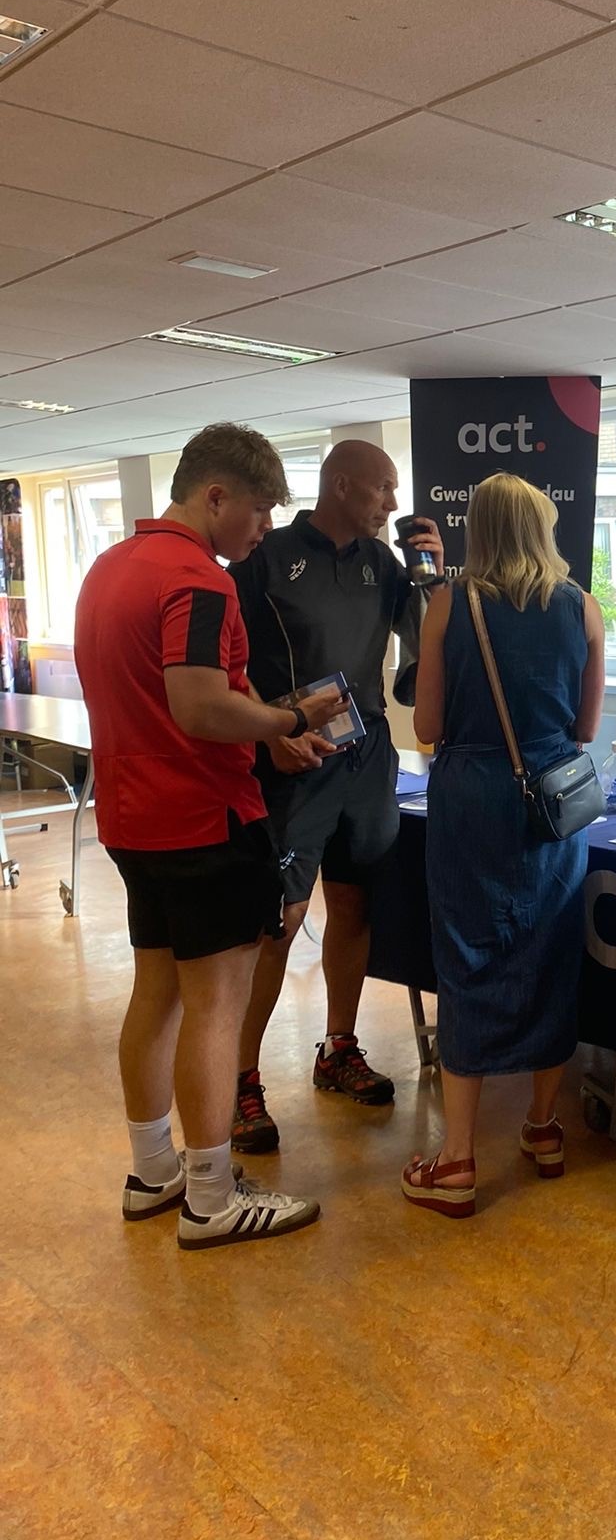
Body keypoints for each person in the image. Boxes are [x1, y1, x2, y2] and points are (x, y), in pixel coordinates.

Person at [74, 424, 336, 1250]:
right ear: (216, 496)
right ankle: (212, 1198)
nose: (265, 528)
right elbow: (197, 705)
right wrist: (289, 717)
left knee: (156, 995)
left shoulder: (110, 568)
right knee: (216, 1008)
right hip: (203, 821)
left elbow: (188, 692)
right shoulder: (199, 579)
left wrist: (267, 729)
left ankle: (155, 1171)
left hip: (133, 819)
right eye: (259, 510)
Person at [226, 440, 443, 1152]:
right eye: (383, 488)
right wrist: (269, 732)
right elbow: (224, 660)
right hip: (294, 758)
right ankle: (239, 1080)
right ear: (342, 486)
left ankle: (337, 1049)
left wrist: (432, 576)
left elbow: (429, 645)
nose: (392, 502)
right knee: (281, 922)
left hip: (367, 755)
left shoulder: (384, 562)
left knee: (355, 903)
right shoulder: (265, 556)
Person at [402, 474, 604, 1218]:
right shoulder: (582, 606)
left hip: (471, 798)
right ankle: (544, 1128)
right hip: (554, 800)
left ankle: (457, 1158)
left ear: (478, 529)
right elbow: (586, 728)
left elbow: (426, 726)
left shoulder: (450, 604)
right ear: (543, 526)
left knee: (467, 957)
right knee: (550, 952)